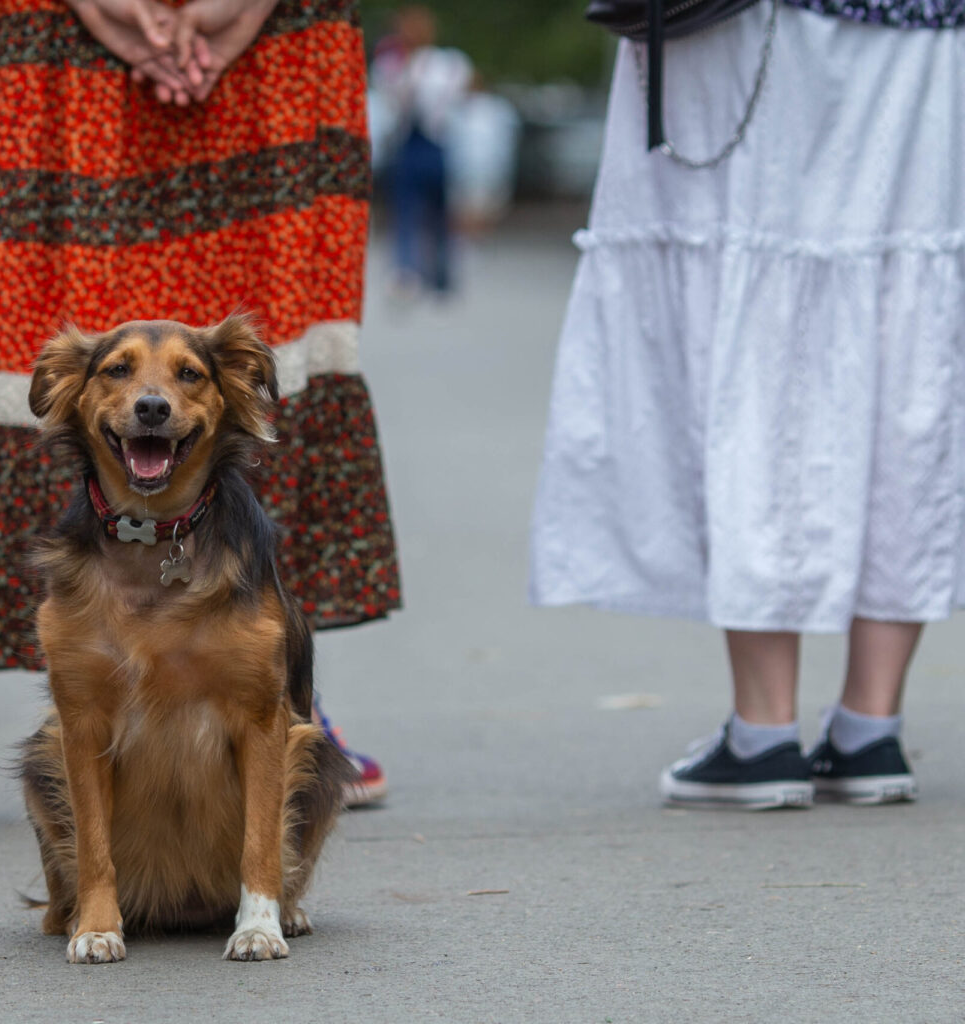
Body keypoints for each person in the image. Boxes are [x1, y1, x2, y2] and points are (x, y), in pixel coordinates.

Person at [0, 0, 400, 806]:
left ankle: (268, 692)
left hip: (269, 43)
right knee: (88, 366)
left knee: (255, 352)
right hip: (62, 39)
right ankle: (105, 707)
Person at [530, 0, 965, 809]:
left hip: (747, 27)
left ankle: (765, 730)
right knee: (901, 307)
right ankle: (872, 724)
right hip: (922, 25)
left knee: (758, 309)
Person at [370, 6, 470, 297]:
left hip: (437, 144)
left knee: (440, 212)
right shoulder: (393, 63)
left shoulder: (449, 63)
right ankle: (405, 270)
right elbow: (393, 99)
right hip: (406, 146)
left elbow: (447, 102)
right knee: (405, 210)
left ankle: (441, 272)